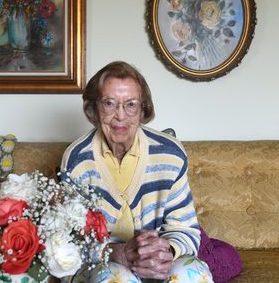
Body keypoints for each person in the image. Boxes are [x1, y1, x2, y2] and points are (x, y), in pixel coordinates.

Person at [60, 61, 213, 282]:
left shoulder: (170, 153)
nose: (120, 116)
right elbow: (67, 243)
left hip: (156, 263)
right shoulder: (77, 158)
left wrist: (165, 251)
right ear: (94, 109)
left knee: (191, 274)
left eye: (130, 104)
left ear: (143, 109)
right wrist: (117, 253)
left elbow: (185, 229)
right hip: (104, 262)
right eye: (109, 104)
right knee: (117, 278)